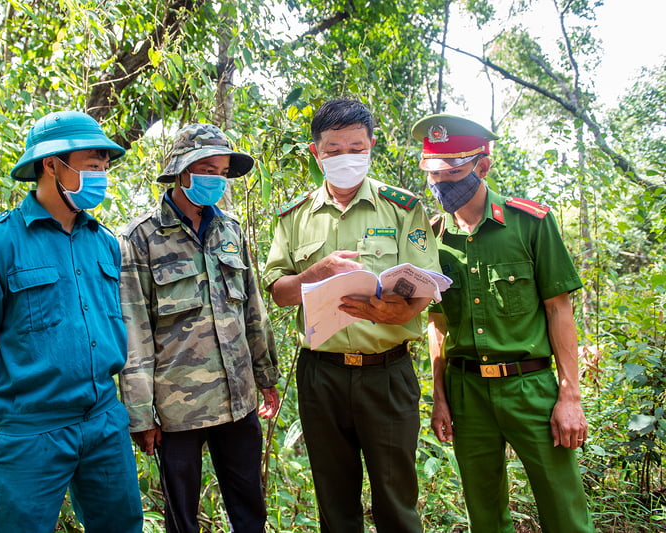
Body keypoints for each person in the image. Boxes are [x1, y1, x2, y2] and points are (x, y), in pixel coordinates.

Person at [0, 111, 144, 533]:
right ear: (52, 164)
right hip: (31, 429)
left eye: (104, 167)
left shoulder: (104, 243)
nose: (100, 176)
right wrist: (23, 394)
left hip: (104, 422)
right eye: (91, 165)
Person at [262, 98, 440, 533]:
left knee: (396, 498)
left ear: (371, 145)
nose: (347, 157)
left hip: (387, 372)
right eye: (334, 149)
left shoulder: (402, 207)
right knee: (334, 499)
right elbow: (279, 293)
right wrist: (315, 273)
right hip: (321, 374)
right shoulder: (295, 216)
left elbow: (427, 285)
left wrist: (398, 311)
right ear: (316, 152)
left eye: (356, 148)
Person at [414, 113, 594, 532]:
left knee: (564, 511)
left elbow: (559, 310)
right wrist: (439, 396)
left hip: (530, 387)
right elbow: (437, 324)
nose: (441, 183)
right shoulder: (432, 238)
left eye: (453, 172)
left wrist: (570, 396)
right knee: (485, 515)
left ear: (483, 165)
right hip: (466, 391)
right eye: (434, 174)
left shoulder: (530, 223)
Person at [118, 123, 280, 533]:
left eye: (222, 173)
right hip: (177, 410)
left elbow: (253, 309)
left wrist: (266, 376)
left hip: (237, 399)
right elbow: (134, 331)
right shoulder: (141, 238)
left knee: (250, 511)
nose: (217, 181)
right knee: (182, 520)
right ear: (181, 171)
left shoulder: (230, 230)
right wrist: (141, 413)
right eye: (207, 170)